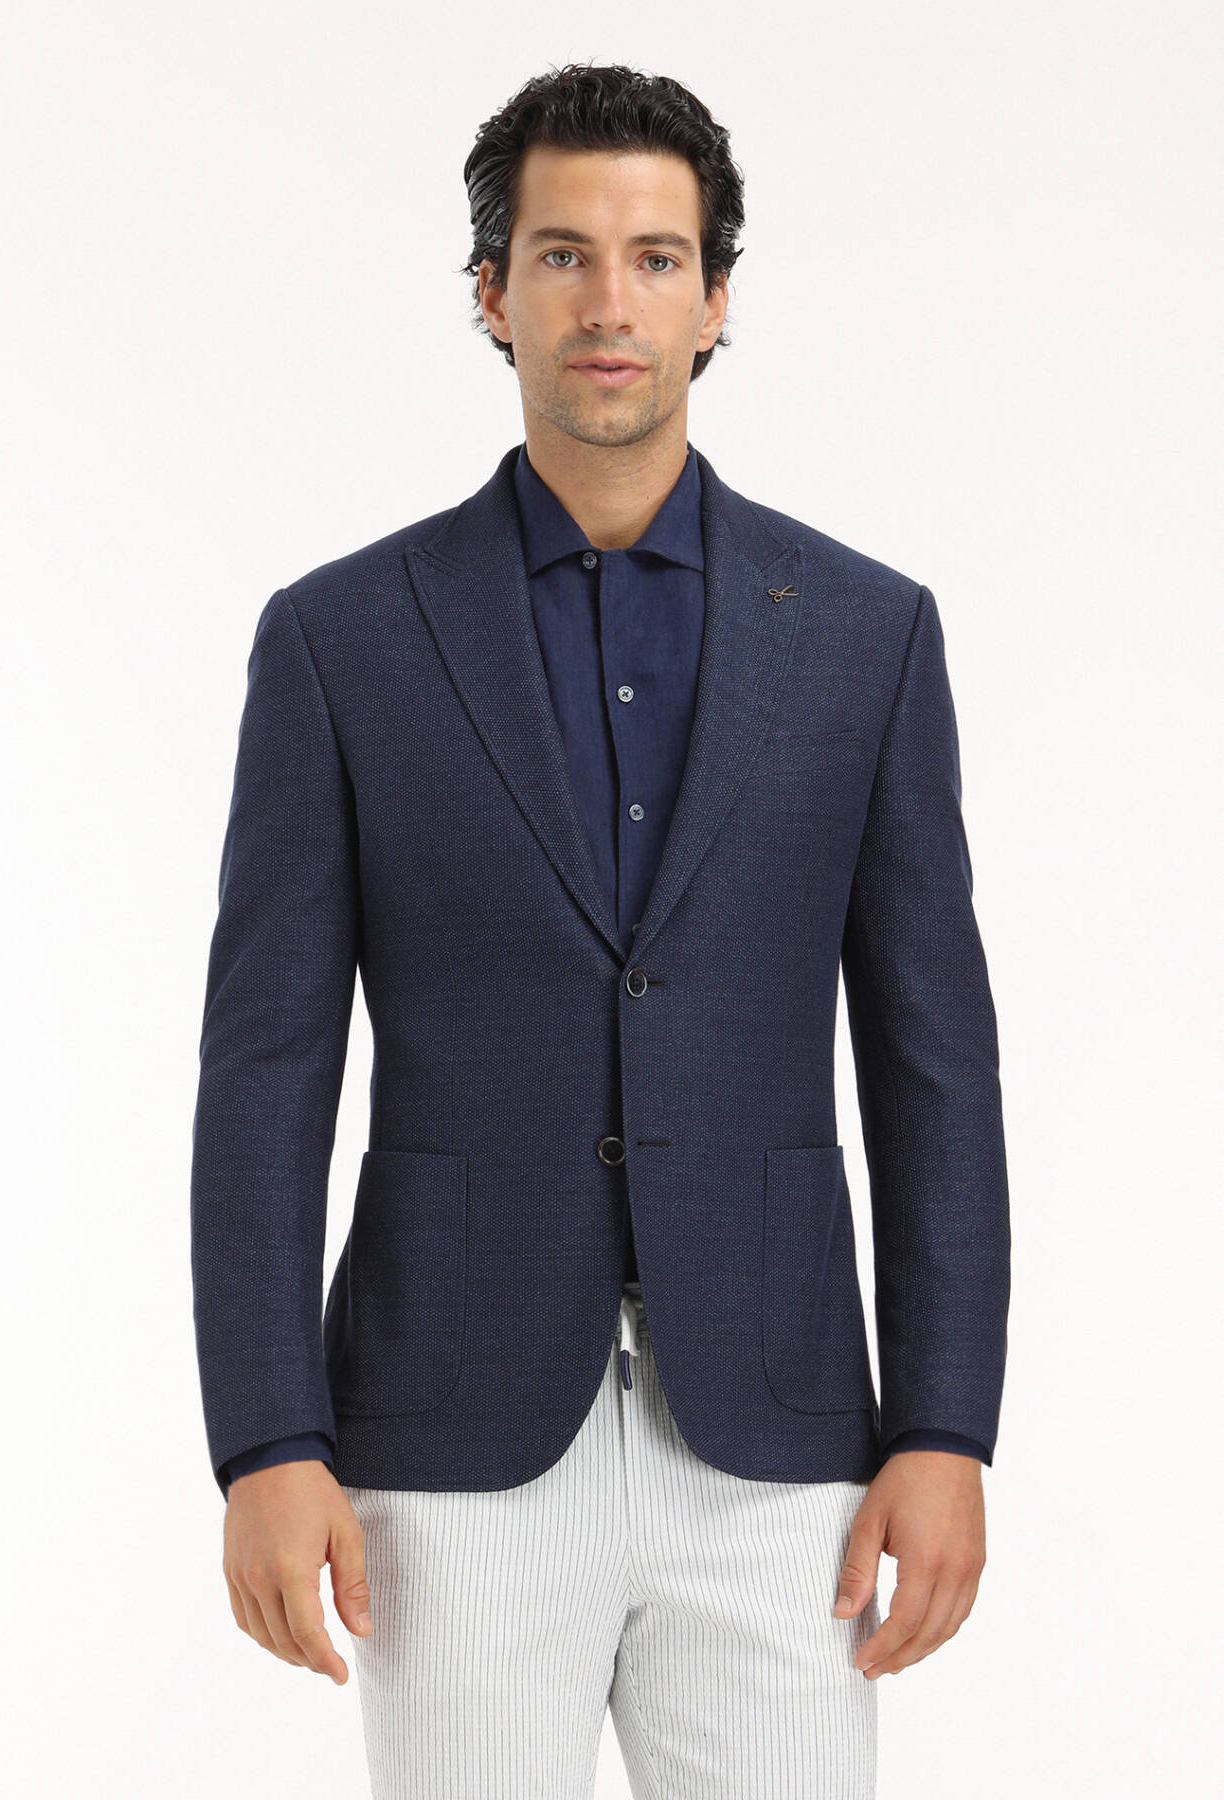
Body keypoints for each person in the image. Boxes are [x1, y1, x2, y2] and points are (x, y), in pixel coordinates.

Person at [190, 61, 1011, 1798]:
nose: (609, 303)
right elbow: (263, 1071)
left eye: (655, 258)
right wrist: (266, 1438)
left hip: (780, 1444)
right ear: (491, 293)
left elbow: (933, 1061)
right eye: (562, 255)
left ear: (715, 300)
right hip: (446, 1436)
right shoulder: (343, 639)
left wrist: (945, 1424)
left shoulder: (861, 634)